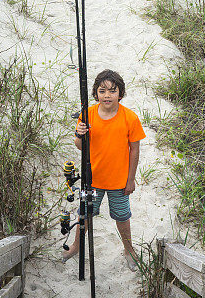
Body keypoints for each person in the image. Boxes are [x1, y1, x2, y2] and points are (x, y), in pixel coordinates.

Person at [62, 69, 146, 271]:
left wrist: (130, 179)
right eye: (102, 91)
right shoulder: (87, 114)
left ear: (120, 94)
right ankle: (75, 246)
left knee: (122, 217)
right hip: (91, 179)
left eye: (112, 91)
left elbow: (135, 150)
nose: (107, 95)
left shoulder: (130, 118)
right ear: (96, 93)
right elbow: (79, 146)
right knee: (84, 215)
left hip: (119, 181)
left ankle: (129, 249)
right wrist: (80, 135)